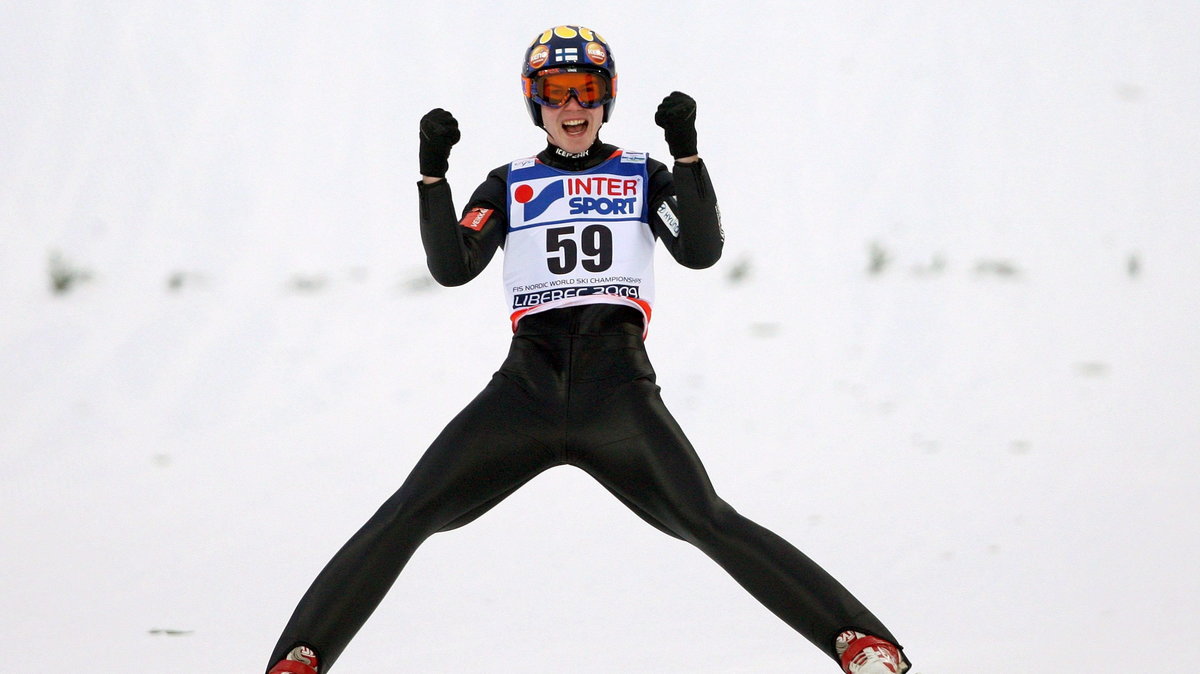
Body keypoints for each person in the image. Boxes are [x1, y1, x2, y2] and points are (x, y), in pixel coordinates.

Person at [265, 25, 910, 674]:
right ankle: (301, 657)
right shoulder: (510, 182)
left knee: (708, 519)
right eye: (556, 94)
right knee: (407, 512)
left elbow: (699, 250)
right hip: (523, 395)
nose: (573, 108)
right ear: (535, 104)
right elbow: (453, 266)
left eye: (587, 92)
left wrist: (686, 157)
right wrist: (432, 176)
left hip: (617, 395)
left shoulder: (639, 174)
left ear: (606, 99)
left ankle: (858, 641)